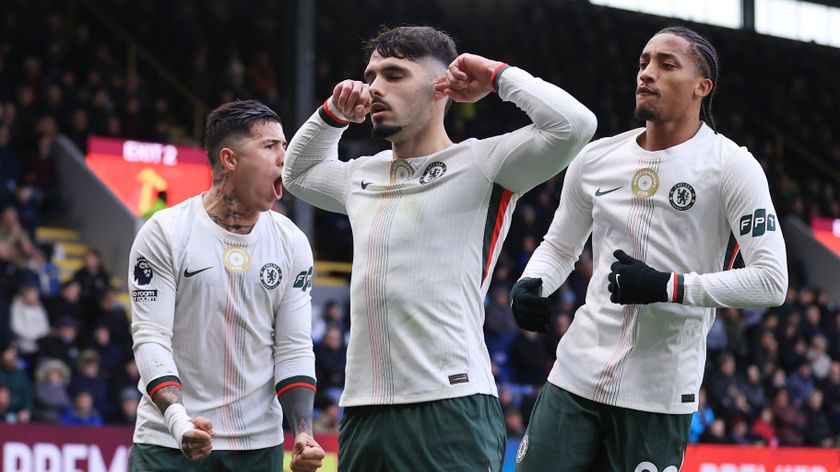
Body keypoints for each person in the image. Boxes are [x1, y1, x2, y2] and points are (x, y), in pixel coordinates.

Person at [282, 25, 596, 471]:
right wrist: (331, 113)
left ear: (441, 86)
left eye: (393, 74)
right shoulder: (360, 176)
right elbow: (297, 175)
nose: (373, 88)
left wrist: (496, 76)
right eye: (370, 76)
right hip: (363, 410)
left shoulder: (484, 164)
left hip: (450, 405)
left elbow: (575, 125)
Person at [510, 26, 788, 471]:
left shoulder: (731, 166)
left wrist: (667, 286)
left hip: (659, 396)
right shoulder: (595, 158)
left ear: (703, 87)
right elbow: (559, 247)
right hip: (574, 377)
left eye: (666, 64)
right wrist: (531, 282)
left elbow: (771, 282)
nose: (646, 73)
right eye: (643, 62)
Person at [128, 100, 324, 471]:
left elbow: (294, 347)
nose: (285, 157)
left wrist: (303, 431)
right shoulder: (165, 233)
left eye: (285, 146)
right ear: (229, 159)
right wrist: (179, 422)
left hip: (258, 449)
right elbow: (151, 337)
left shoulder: (292, 242)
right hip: (169, 443)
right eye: (270, 147)